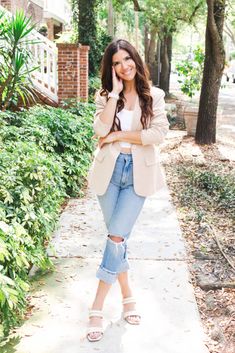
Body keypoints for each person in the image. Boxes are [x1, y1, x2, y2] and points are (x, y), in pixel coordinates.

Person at [87, 39, 169, 342]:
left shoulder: (154, 96)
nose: (124, 66)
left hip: (138, 174)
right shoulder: (105, 96)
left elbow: (158, 134)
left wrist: (120, 134)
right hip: (108, 173)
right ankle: (127, 294)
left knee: (117, 236)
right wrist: (115, 96)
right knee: (116, 239)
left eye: (127, 59)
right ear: (112, 68)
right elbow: (99, 130)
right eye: (117, 62)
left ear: (136, 58)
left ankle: (96, 306)